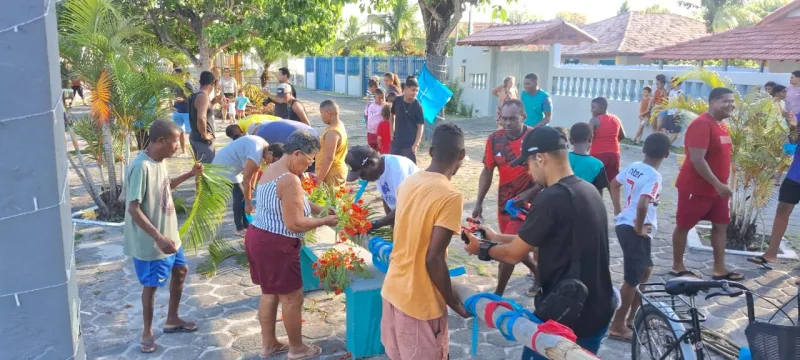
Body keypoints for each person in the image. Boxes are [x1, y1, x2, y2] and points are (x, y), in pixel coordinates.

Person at [464, 126, 614, 359]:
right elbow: (539, 241)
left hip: (567, 316)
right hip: (598, 309)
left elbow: (514, 255)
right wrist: (496, 237)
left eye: (528, 165)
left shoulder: (551, 197)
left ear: (540, 159)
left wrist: (480, 249)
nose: (529, 173)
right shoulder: (589, 190)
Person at [381, 123, 470, 360]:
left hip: (392, 291)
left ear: (430, 152)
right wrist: (453, 302)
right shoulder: (450, 195)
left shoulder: (409, 182)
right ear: (461, 156)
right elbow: (433, 258)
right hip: (419, 303)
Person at [245, 130, 336, 360]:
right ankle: (297, 349)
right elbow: (295, 223)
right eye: (310, 159)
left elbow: (299, 201)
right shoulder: (290, 179)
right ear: (297, 153)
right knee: (292, 298)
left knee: (269, 294)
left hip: (259, 237)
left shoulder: (275, 168)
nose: (310, 165)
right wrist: (325, 221)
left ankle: (269, 345)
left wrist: (321, 209)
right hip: (277, 244)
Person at [123, 120, 202, 353]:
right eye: (175, 142)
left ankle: (172, 318)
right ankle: (147, 331)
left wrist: (189, 174)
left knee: (181, 270)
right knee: (151, 286)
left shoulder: (160, 162)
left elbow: (165, 189)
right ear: (160, 141)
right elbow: (133, 208)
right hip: (152, 241)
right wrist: (158, 238)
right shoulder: (141, 167)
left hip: (170, 235)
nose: (178, 146)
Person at [671, 87, 742, 280]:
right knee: (684, 225)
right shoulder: (702, 124)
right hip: (696, 188)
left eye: (732, 101)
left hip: (718, 190)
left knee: (721, 225)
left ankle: (719, 268)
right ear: (712, 102)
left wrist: (721, 185)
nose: (731, 105)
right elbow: (697, 159)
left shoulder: (721, 125)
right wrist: (718, 184)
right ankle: (678, 266)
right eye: (726, 101)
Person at [607, 133, 670, 341]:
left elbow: (614, 183)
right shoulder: (655, 176)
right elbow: (643, 204)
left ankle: (631, 318)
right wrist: (639, 227)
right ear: (667, 155)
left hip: (627, 225)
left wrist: (618, 210)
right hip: (634, 231)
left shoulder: (634, 165)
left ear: (643, 149)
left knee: (646, 270)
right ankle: (617, 325)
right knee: (632, 279)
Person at [472, 99, 538, 296]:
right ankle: (537, 272)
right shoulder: (494, 139)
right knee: (515, 243)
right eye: (504, 119)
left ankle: (497, 295)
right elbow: (488, 170)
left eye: (513, 119)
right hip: (507, 204)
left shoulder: (535, 137)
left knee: (509, 248)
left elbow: (549, 172)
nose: (507, 123)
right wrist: (479, 202)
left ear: (523, 117)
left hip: (534, 202)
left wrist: (529, 193)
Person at [748, 108, 799, 269]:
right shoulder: (797, 117)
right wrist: (792, 128)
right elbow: (790, 148)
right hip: (795, 175)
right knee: (782, 210)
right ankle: (771, 254)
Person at [212, 135, 279, 236]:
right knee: (239, 196)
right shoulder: (256, 152)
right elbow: (247, 180)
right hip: (224, 166)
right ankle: (239, 228)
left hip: (233, 165)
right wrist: (248, 204)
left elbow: (256, 169)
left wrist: (252, 189)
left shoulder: (264, 147)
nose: (272, 164)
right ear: (270, 153)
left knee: (245, 195)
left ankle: (247, 225)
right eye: (274, 161)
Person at [345, 145, 419, 230]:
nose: (362, 178)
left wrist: (375, 224)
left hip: (417, 215)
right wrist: (393, 227)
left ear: (372, 163)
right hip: (405, 215)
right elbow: (386, 198)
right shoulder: (378, 170)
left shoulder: (397, 171)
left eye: (362, 174)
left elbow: (404, 207)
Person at [589, 97, 625, 186]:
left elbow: (588, 137)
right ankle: (615, 200)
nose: (591, 110)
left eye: (593, 108)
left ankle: (597, 200)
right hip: (614, 154)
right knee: (612, 183)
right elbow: (622, 135)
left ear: (602, 108)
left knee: (596, 183)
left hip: (597, 154)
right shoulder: (616, 119)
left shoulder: (594, 120)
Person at [189, 71, 222, 163]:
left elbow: (199, 111)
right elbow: (201, 117)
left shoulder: (197, 94)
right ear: (213, 83)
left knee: (201, 171)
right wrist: (204, 135)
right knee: (207, 171)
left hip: (196, 136)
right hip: (202, 140)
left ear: (200, 82)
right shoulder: (203, 96)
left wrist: (212, 102)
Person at [390, 79, 424, 163]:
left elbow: (420, 127)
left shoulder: (418, 106)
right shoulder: (397, 100)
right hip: (397, 141)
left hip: (410, 144)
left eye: (417, 91)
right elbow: (392, 115)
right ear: (405, 89)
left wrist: (415, 145)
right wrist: (391, 130)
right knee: (394, 165)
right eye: (413, 90)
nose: (415, 93)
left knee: (410, 170)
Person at [315, 100, 348, 187]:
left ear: (328, 113)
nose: (321, 116)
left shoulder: (332, 132)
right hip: (335, 171)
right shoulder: (339, 124)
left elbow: (329, 159)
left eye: (321, 113)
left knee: (330, 200)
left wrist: (319, 180)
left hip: (331, 175)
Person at [569, 122, 608, 193]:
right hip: (584, 201)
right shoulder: (598, 165)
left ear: (570, 140)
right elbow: (598, 193)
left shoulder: (562, 159)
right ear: (590, 139)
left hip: (560, 200)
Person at [172, 68, 194, 154]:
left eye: (177, 75)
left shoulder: (188, 84)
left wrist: (184, 99)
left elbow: (193, 96)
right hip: (177, 111)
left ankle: (194, 151)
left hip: (187, 111)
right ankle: (184, 151)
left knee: (190, 132)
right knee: (179, 132)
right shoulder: (174, 85)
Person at [661, 77, 685, 143]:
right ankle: (666, 143)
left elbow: (682, 105)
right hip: (669, 113)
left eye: (671, 82)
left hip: (676, 114)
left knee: (675, 132)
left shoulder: (680, 93)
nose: (670, 84)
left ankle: (667, 146)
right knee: (664, 128)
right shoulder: (671, 91)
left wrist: (676, 113)